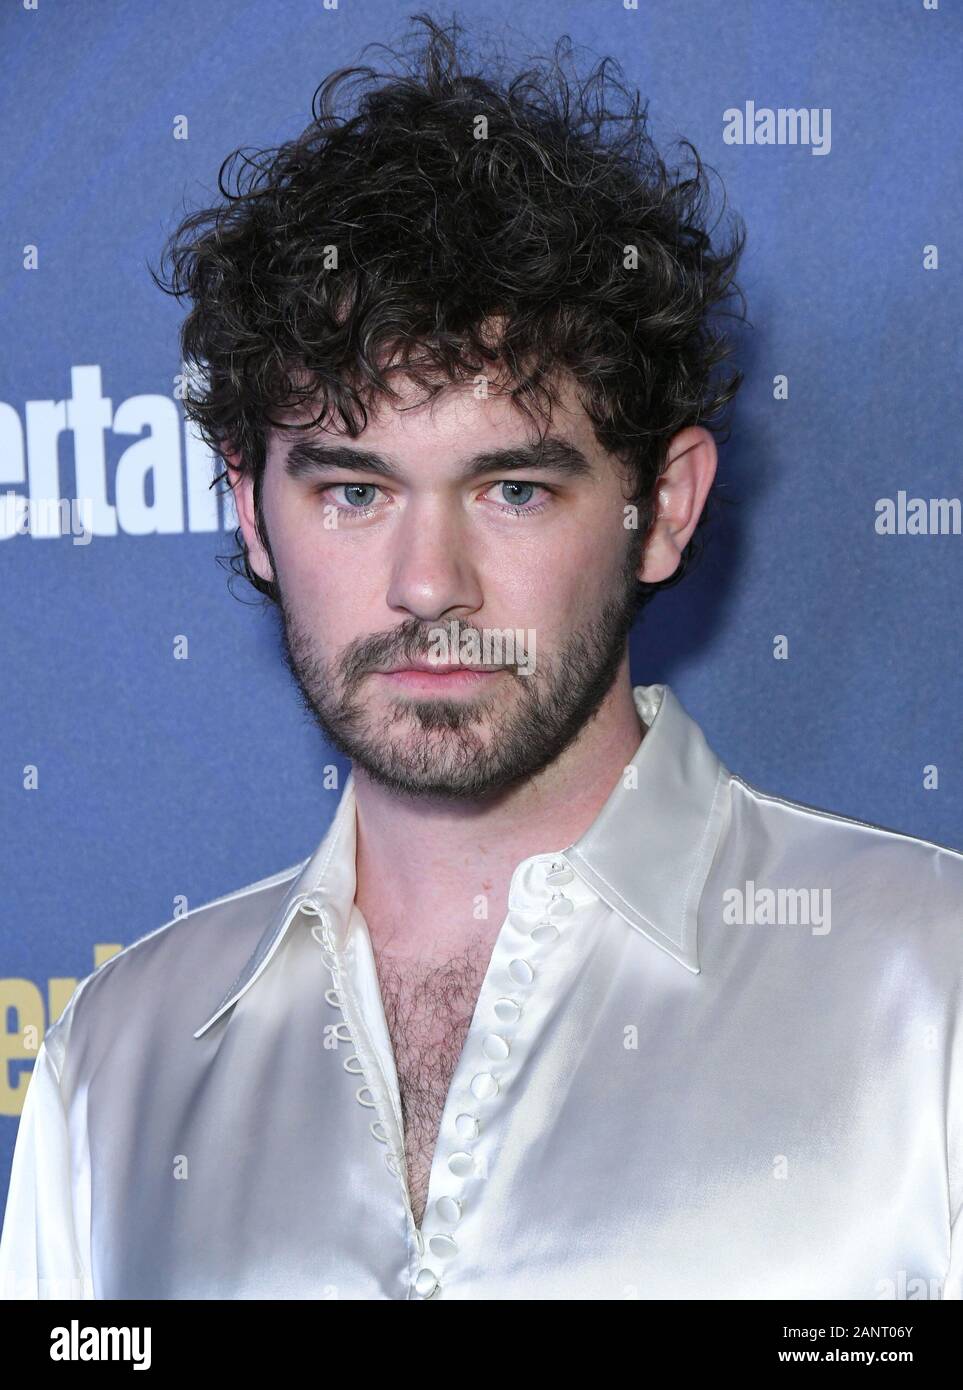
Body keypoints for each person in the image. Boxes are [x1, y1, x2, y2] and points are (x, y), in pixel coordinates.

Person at [2, 14, 961, 1302]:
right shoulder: (111, 1068)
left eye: (511, 489)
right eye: (353, 491)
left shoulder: (934, 997)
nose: (426, 585)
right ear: (249, 514)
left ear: (663, 507)